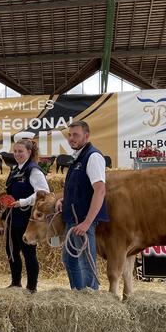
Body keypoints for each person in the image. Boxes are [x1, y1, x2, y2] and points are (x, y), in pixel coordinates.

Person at [56, 120, 108, 291]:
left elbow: (100, 190)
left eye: (76, 135)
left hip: (83, 221)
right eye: (70, 135)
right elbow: (79, 188)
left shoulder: (93, 156)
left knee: (85, 262)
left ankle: (90, 301)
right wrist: (63, 200)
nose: (71, 138)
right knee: (69, 260)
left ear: (87, 136)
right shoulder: (78, 157)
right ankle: (78, 296)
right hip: (74, 219)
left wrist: (87, 223)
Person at [4, 137, 49, 293]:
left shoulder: (33, 170)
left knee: (29, 253)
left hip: (27, 219)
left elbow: (43, 193)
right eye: (15, 151)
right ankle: (15, 283)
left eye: (20, 151)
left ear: (29, 152)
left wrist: (22, 202)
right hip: (12, 217)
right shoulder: (16, 169)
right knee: (11, 250)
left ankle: (31, 288)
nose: (17, 154)